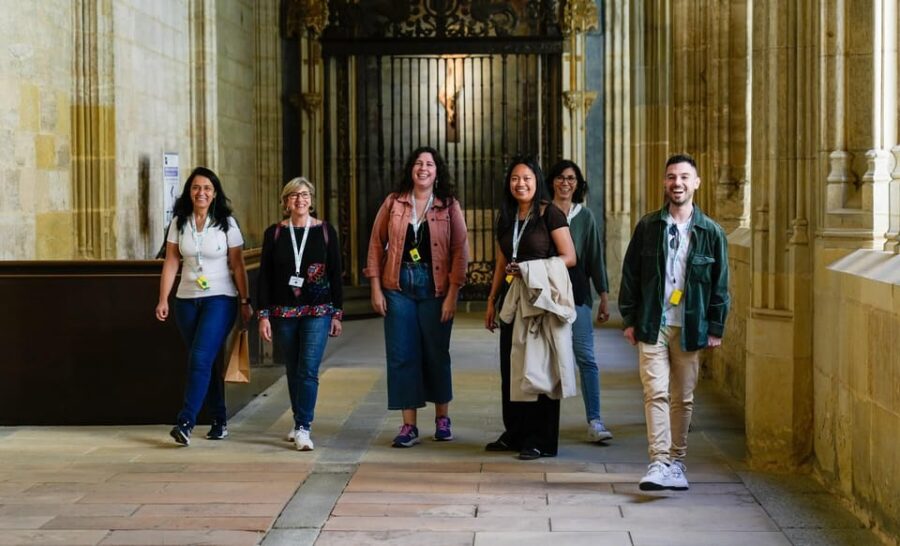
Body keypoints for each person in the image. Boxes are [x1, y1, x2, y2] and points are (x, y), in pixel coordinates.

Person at [619, 153, 730, 490]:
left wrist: (716, 326)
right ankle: (658, 461)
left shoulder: (711, 232)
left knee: (682, 397)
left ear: (696, 183)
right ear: (664, 183)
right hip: (654, 321)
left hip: (691, 324)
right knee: (655, 392)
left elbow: (720, 283)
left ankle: (677, 463)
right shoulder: (648, 226)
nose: (677, 183)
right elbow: (631, 274)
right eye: (671, 177)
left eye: (684, 177)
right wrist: (630, 317)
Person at [364, 146, 469, 448]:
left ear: (437, 172)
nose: (423, 168)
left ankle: (442, 419)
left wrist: (452, 294)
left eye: (430, 164)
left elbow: (461, 251)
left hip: (435, 288)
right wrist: (374, 287)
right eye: (419, 163)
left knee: (436, 354)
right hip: (398, 287)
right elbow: (375, 244)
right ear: (411, 168)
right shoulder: (393, 203)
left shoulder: (449, 206)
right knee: (401, 356)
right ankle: (408, 426)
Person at [484, 155, 577, 460]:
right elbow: (501, 261)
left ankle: (541, 439)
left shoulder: (550, 215)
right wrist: (491, 300)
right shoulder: (508, 216)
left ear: (537, 182)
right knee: (511, 367)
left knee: (540, 368)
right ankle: (515, 433)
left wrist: (531, 269)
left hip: (539, 300)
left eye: (526, 178)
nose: (520, 184)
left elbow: (569, 256)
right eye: (514, 178)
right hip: (512, 300)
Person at [156, 166, 253, 446]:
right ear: (189, 191)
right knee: (205, 361)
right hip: (186, 300)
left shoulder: (226, 222)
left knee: (199, 358)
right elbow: (172, 261)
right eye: (197, 188)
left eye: (207, 188)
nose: (201, 193)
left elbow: (237, 264)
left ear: (214, 194)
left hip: (220, 298)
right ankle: (219, 419)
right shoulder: (179, 221)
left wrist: (245, 301)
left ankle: (185, 422)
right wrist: (163, 298)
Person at [257, 177, 343, 451]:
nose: (300, 200)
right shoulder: (275, 234)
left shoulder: (326, 231)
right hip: (283, 312)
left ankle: (304, 426)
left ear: (311, 199)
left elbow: (335, 274)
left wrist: (337, 313)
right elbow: (265, 277)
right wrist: (263, 315)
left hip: (318, 311)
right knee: (293, 369)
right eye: (294, 195)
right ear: (285, 203)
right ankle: (297, 422)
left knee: (308, 369)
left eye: (304, 195)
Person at [546, 159, 613, 442]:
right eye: (560, 177)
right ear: (552, 182)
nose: (565, 183)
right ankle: (544, 425)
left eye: (571, 178)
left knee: (586, 357)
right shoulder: (542, 213)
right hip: (547, 296)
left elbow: (595, 258)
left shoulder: (585, 217)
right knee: (548, 361)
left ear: (578, 184)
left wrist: (604, 296)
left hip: (578, 295)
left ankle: (595, 421)